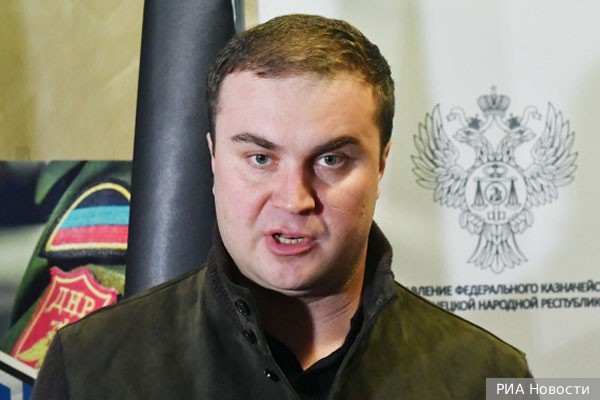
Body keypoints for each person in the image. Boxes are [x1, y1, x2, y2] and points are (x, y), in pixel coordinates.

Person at [31, 14, 532, 400]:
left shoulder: (490, 376)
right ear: (213, 158)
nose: (294, 199)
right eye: (260, 158)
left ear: (381, 164)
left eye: (331, 159)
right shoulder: (90, 368)